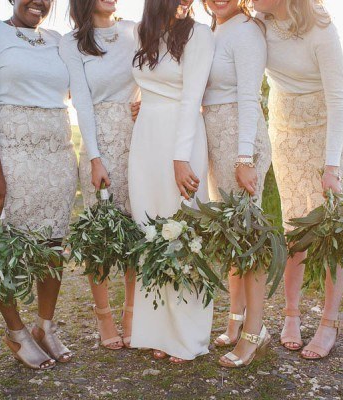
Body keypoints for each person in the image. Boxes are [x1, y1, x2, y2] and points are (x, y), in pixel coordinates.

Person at [0, 0, 77, 369]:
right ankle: (16, 332)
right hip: (10, 157)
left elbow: (90, 85)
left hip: (58, 155)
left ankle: (45, 326)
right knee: (2, 245)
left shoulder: (60, 40)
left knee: (52, 245)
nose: (38, 1)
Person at [252, 0, 343, 359]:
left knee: (332, 231)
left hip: (328, 133)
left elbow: (339, 100)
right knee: (294, 227)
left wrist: (332, 167)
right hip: (286, 133)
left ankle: (329, 323)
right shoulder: (259, 24)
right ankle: (291, 315)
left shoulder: (321, 30)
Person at [128, 0, 215, 364]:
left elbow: (192, 96)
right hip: (146, 137)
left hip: (183, 138)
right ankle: (157, 332)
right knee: (150, 229)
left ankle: (188, 336)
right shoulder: (140, 32)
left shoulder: (199, 34)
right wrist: (138, 105)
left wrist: (181, 158)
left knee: (183, 233)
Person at [60, 0, 140, 350]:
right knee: (100, 235)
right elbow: (82, 103)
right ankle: (104, 316)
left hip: (140, 138)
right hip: (100, 143)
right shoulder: (72, 41)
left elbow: (158, 75)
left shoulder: (136, 31)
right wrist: (94, 157)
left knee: (136, 229)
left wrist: (147, 103)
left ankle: (132, 314)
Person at [201, 0, 272, 368]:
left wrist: (244, 159)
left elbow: (249, 96)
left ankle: (254, 332)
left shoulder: (246, 31)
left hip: (242, 143)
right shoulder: (214, 30)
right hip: (218, 141)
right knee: (232, 239)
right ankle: (236, 318)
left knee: (249, 240)